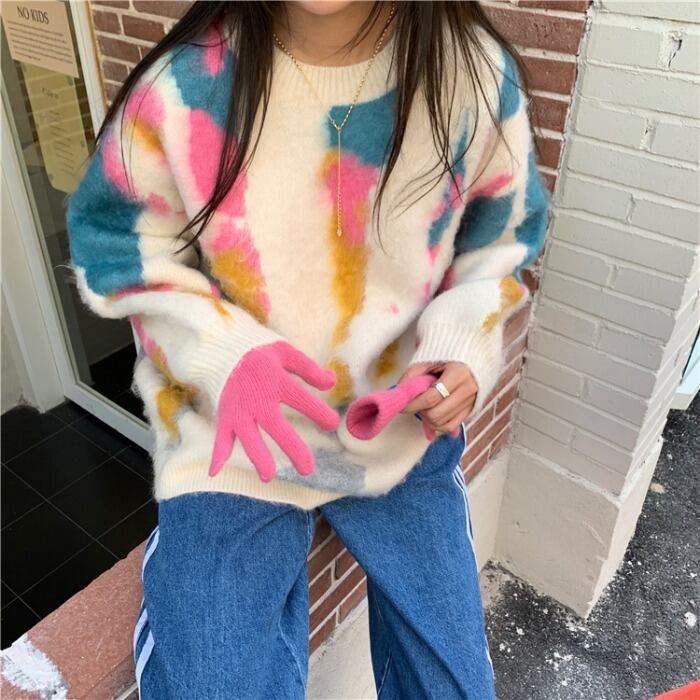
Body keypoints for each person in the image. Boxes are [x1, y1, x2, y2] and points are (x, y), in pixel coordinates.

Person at [65, 1, 550, 698]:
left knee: (456, 687)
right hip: (234, 438)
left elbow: (500, 244)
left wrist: (462, 344)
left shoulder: (471, 73)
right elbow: (114, 247)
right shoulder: (181, 87)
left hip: (397, 427)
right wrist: (220, 350)